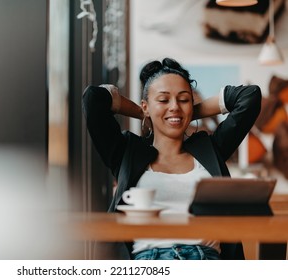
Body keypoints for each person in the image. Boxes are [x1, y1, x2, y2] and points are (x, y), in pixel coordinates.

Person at [82, 57, 261, 260]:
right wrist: (146, 114)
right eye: (163, 99)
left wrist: (185, 113)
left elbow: (250, 96)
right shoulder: (127, 153)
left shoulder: (210, 150)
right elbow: (93, 98)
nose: (175, 106)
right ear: (146, 106)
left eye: (183, 99)